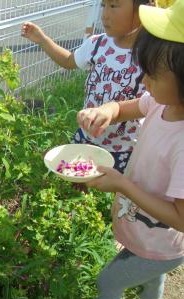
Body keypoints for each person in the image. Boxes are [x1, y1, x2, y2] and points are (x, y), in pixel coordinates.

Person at [76, 0, 184, 299]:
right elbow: (132, 106)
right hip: (151, 238)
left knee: (109, 282)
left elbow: (182, 219)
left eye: (152, 74)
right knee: (154, 274)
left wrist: (122, 183)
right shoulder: (163, 102)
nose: (145, 81)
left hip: (163, 241)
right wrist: (107, 109)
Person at [21, 0, 150, 173]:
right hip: (86, 134)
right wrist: (43, 40)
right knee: (74, 179)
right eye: (103, 5)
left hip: (124, 146)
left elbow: (151, 103)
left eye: (113, 6)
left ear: (142, 10)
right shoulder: (97, 44)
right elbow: (68, 61)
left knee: (113, 188)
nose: (104, 14)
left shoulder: (150, 55)